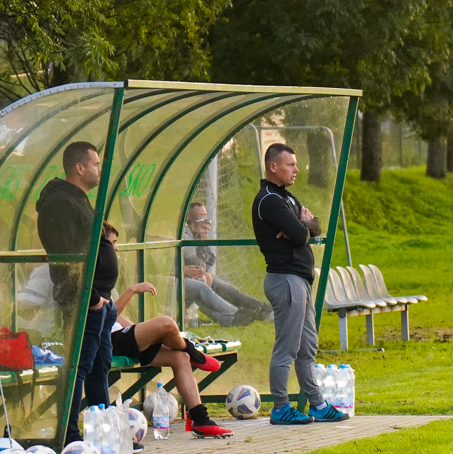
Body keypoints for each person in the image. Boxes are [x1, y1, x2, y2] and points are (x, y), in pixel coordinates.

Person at [104, 223, 234, 438]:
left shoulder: (105, 273)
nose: (116, 249)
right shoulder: (92, 275)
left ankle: (200, 419)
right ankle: (195, 353)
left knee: (180, 357)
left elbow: (116, 316)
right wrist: (131, 290)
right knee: (165, 323)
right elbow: (106, 315)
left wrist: (137, 330)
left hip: (122, 337)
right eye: (113, 244)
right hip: (108, 342)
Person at [252, 143, 348, 424]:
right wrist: (300, 227)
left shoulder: (287, 198)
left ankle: (317, 404)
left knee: (307, 347)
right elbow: (301, 235)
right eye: (290, 165)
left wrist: (302, 225)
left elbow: (314, 226)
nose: (296, 169)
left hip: (301, 279)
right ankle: (280, 407)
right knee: (287, 347)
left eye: (296, 164)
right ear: (273, 167)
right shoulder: (268, 199)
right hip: (285, 280)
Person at [36, 141, 122, 447]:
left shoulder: (79, 199)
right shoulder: (60, 203)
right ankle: (69, 435)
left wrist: (103, 299)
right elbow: (67, 257)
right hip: (84, 301)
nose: (101, 169)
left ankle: (104, 434)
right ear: (79, 167)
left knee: (99, 369)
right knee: (78, 369)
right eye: (96, 164)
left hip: (99, 300)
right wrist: (92, 298)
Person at [183, 201, 272, 326]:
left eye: (204, 214)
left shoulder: (197, 232)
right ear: (189, 217)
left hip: (192, 276)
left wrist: (203, 244)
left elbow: (210, 261)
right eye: (199, 215)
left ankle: (261, 309)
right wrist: (202, 245)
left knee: (228, 289)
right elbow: (198, 266)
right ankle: (237, 315)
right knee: (204, 285)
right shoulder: (186, 234)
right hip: (180, 277)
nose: (203, 218)